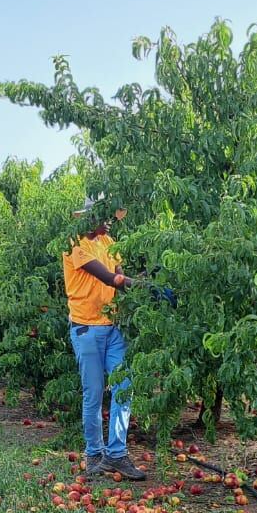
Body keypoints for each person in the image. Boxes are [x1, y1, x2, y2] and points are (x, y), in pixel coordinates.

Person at [63, 197, 146, 480]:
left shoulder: (109, 243)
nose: (110, 220)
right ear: (89, 216)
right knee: (94, 393)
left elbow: (121, 281)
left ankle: (117, 454)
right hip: (86, 328)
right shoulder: (75, 244)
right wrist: (146, 286)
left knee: (124, 386)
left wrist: (144, 287)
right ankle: (94, 454)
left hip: (113, 326)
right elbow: (110, 279)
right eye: (105, 215)